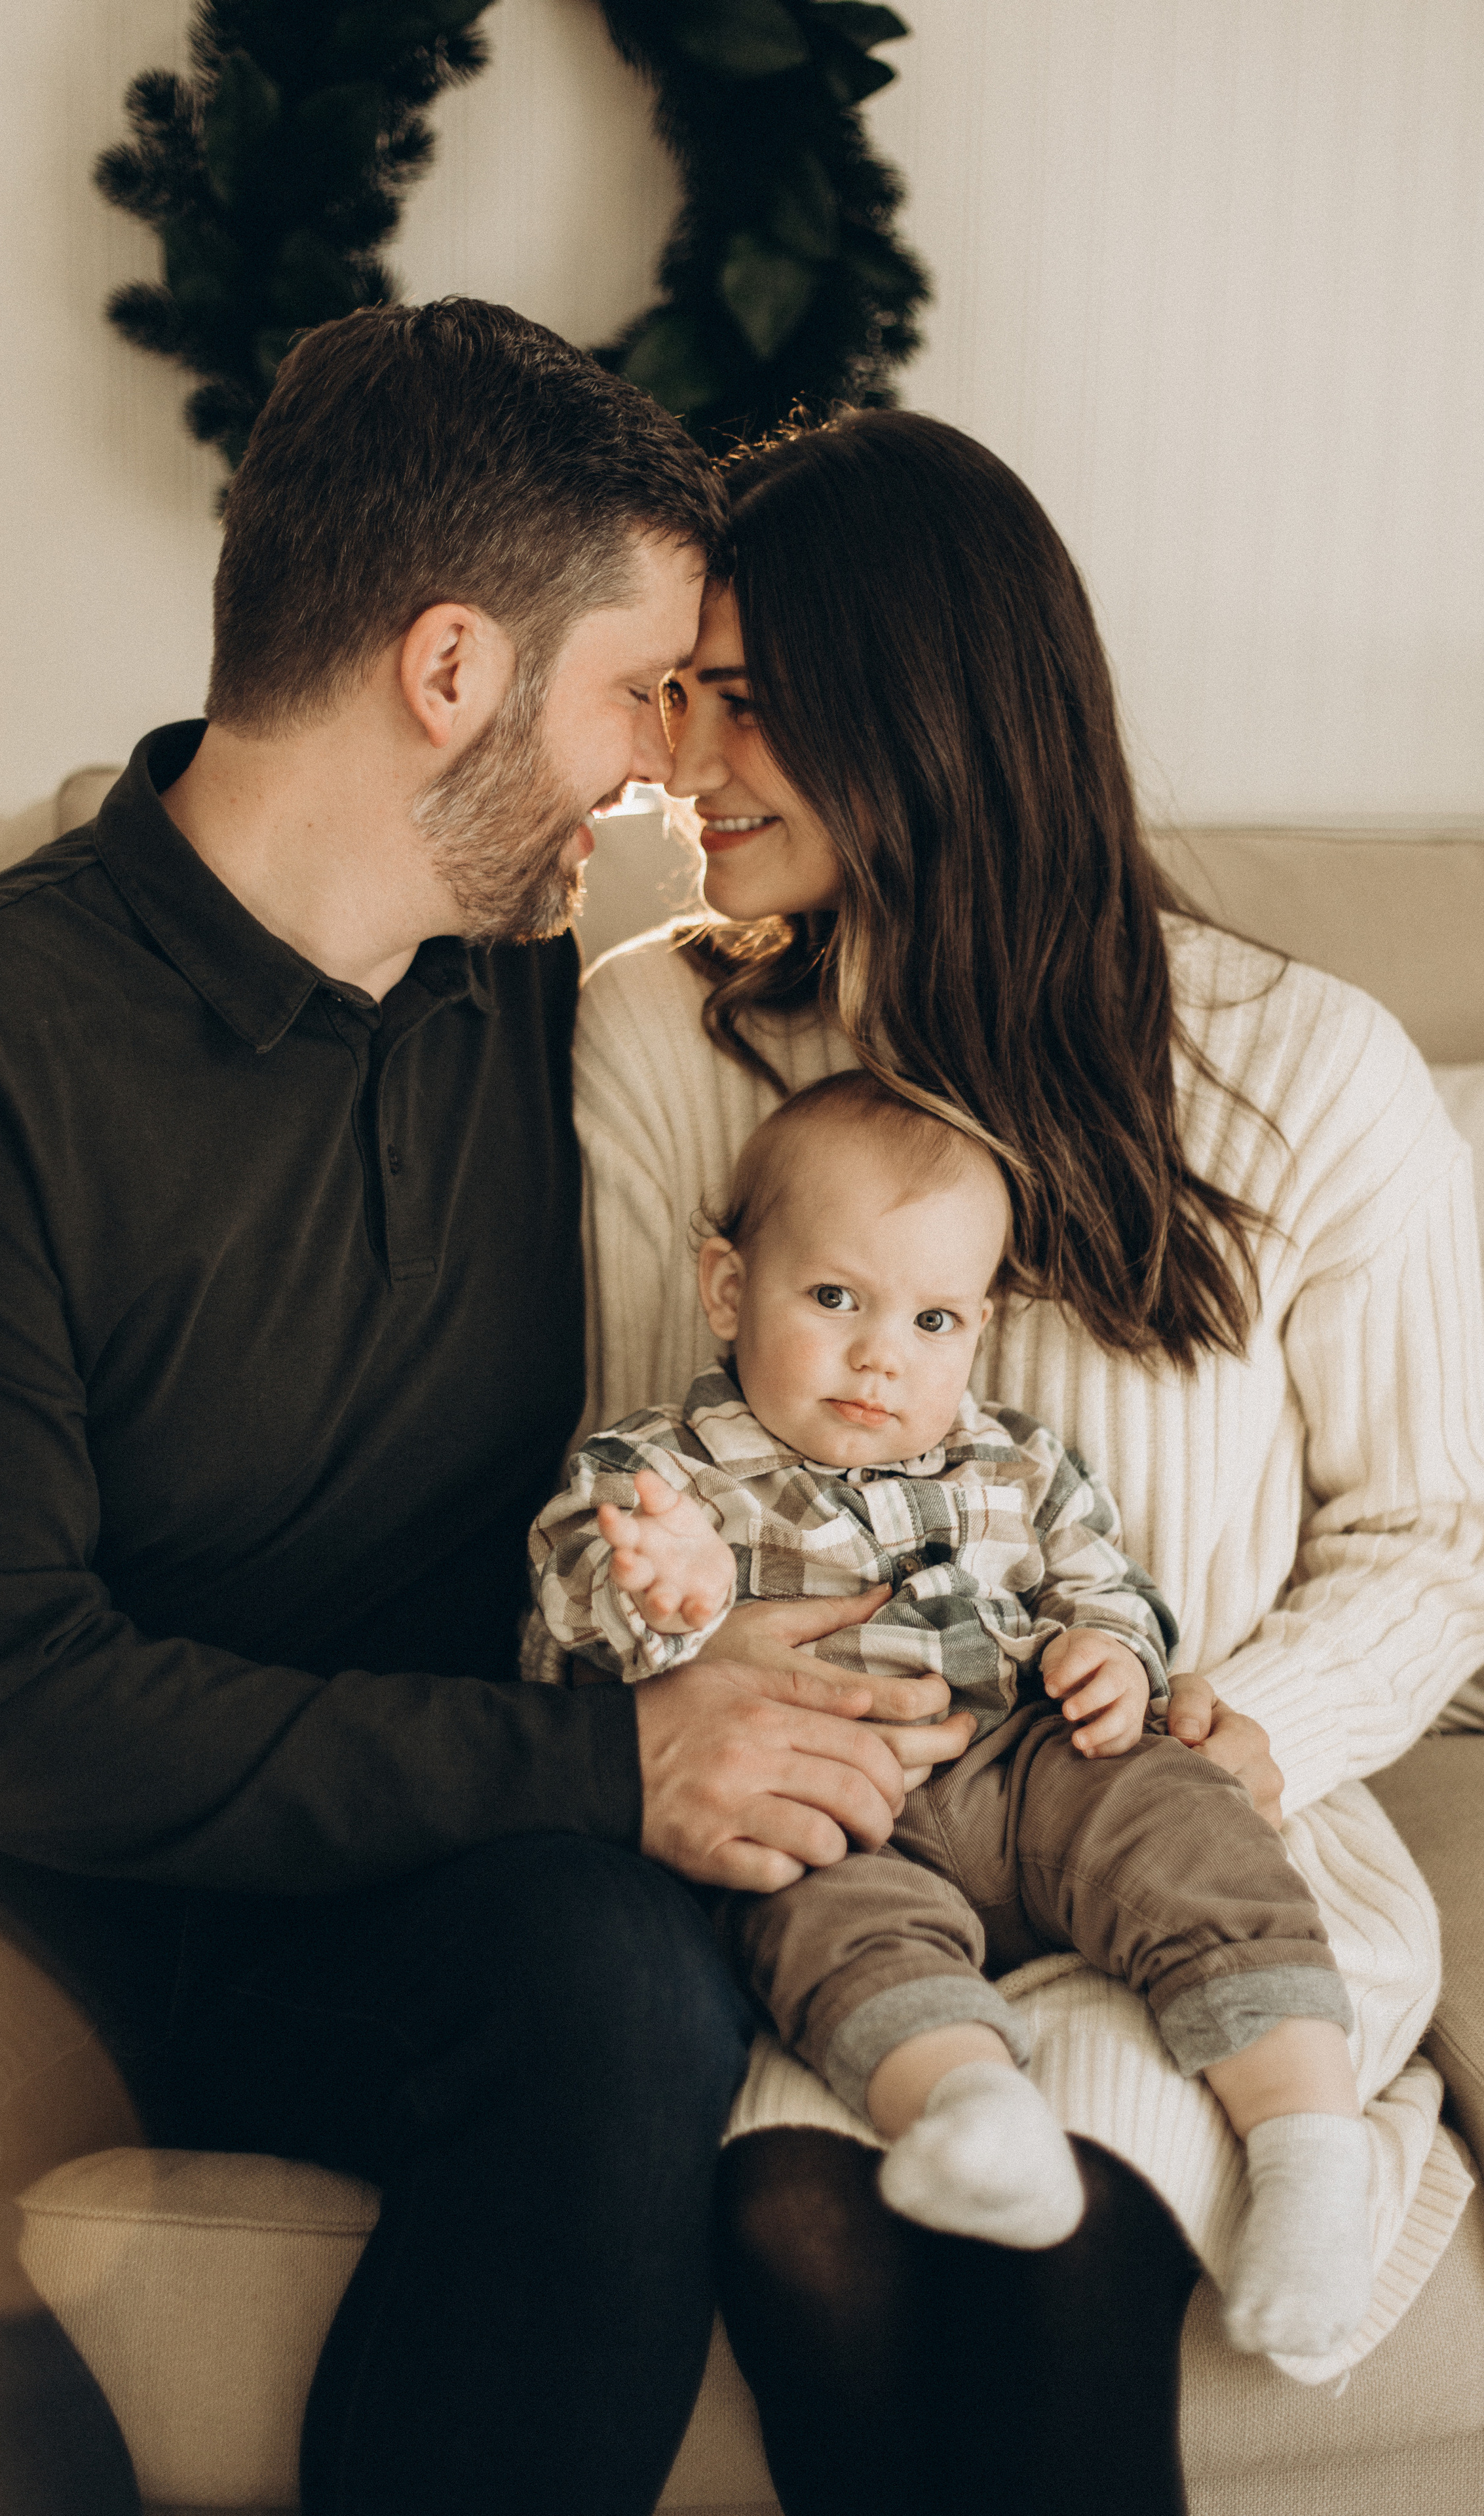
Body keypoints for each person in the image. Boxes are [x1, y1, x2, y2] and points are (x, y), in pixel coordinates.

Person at [0, 302, 945, 2516]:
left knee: (624, 2005)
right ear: (451, 672)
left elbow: (935, 925)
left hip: (388, 1873)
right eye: (634, 691)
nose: (656, 772)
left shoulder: (547, 996)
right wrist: (604, 1758)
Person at [573, 408, 1484, 2514]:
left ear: (931, 719)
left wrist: (1216, 1730)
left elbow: (1432, 1543)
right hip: (839, 1853)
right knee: (809, 2239)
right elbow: (637, 1457)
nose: (678, 770)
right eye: (679, 699)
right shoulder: (668, 1037)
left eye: (747, 707)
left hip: (1185, 1834)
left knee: (1056, 2268)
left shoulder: (1297, 1076)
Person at [531, 1068, 1371, 2361]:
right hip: (831, 1796)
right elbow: (573, 1620)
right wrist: (664, 1594)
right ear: (723, 1291)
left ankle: (1309, 2149)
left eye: (933, 1321)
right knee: (815, 1920)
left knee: (1185, 1825)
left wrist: (1111, 1649)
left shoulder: (1016, 1461)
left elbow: (1103, 1577)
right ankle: (974, 2119)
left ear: (977, 1333)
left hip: (1032, 1756)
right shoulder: (660, 1472)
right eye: (833, 1300)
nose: (883, 1355)